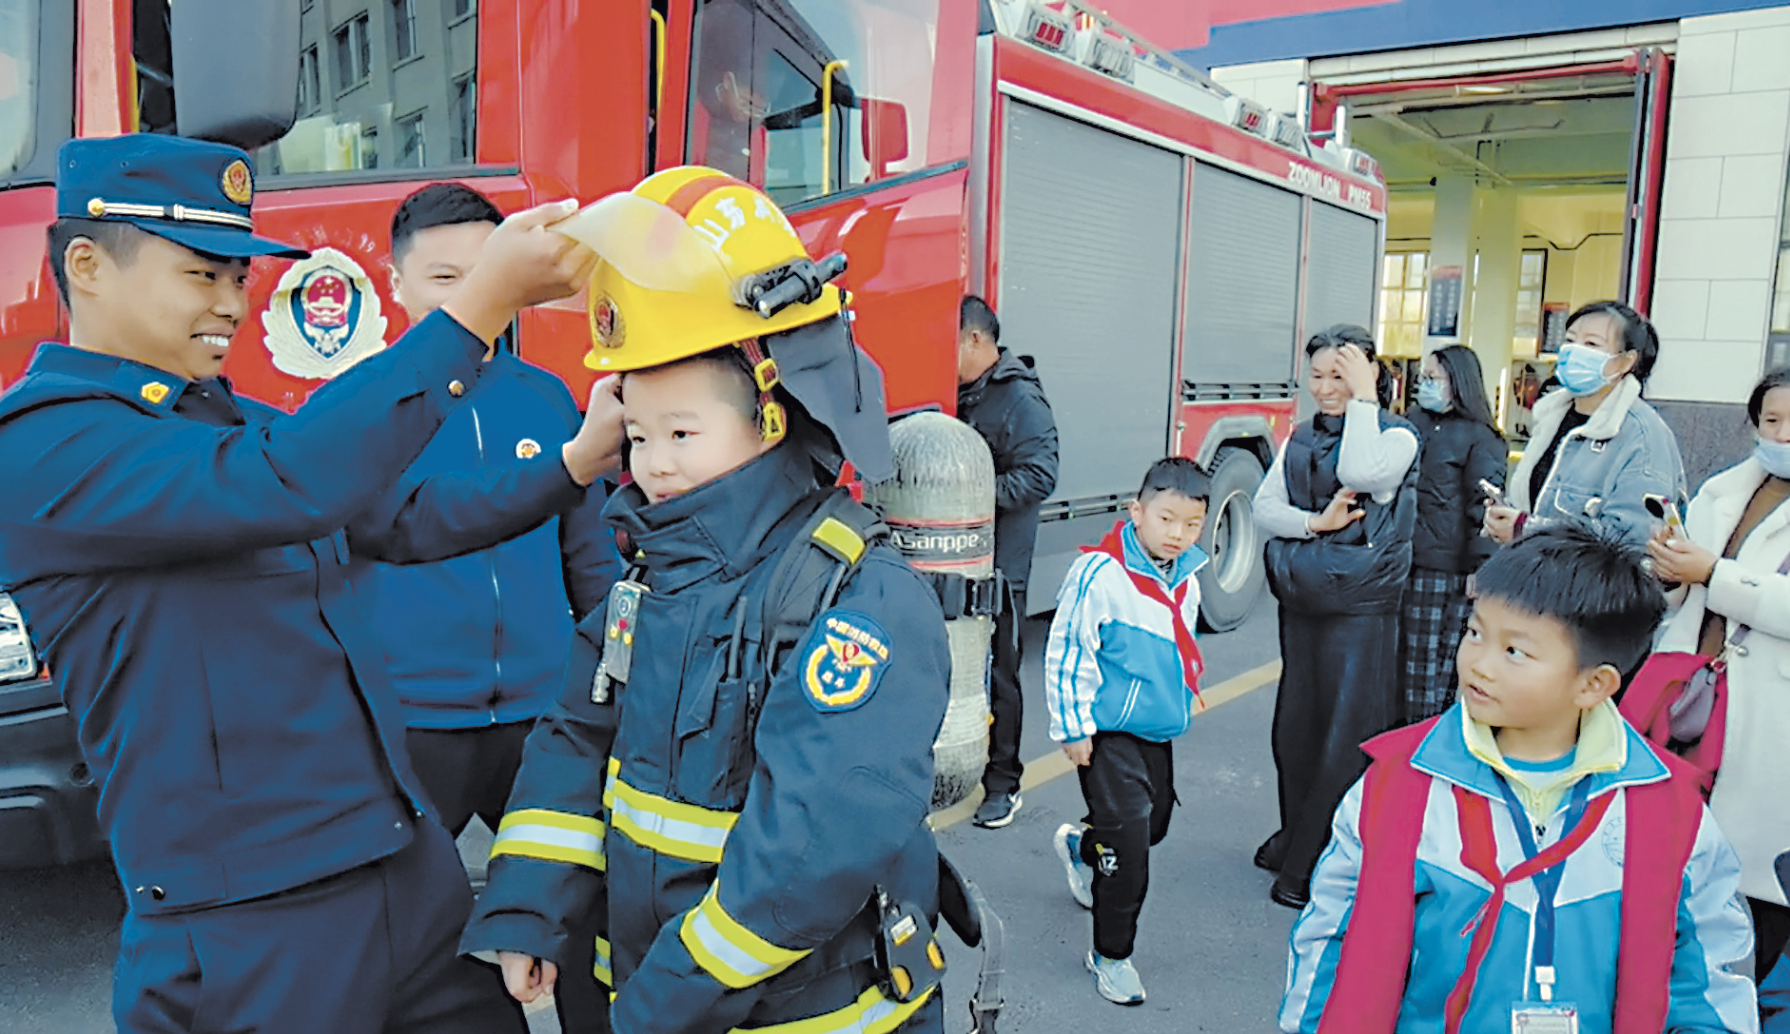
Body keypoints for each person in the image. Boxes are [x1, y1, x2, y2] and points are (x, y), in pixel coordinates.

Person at [0, 135, 614, 1033]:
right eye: (201, 275)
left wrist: (570, 464)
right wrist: (479, 305)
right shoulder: (41, 447)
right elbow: (296, 481)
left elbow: (403, 517)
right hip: (251, 914)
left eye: (237, 279)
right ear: (86, 265)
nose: (229, 304)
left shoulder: (232, 421)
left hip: (403, 865)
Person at [461, 168, 954, 1033]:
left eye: (683, 433)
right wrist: (528, 909)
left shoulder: (858, 599)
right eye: (639, 433)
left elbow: (800, 861)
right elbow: (576, 739)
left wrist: (654, 1010)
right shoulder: (646, 578)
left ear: (772, 417)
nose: (652, 463)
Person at [1281, 523, 1757, 1034]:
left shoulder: (1666, 811)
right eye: (1475, 632)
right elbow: (1329, 938)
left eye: (1515, 652)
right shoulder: (1397, 785)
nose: (1477, 664)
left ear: (1593, 685)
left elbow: (1709, 973)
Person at [371, 181, 621, 1032]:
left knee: (582, 916)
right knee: (413, 932)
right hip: (415, 722)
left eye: (490, 274)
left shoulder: (547, 400)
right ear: (397, 282)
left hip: (545, 720)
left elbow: (590, 559)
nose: (473, 298)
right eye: (446, 278)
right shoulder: (366, 411)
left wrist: (610, 683)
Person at [1252, 325, 1418, 909]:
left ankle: (1315, 861)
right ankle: (1298, 834)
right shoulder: (1300, 437)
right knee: (1295, 730)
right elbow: (1265, 508)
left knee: (1346, 738)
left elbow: (1366, 473)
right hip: (1305, 600)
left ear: (1368, 376)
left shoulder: (1397, 436)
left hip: (1362, 611)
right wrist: (1315, 525)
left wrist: (1367, 401)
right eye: (1318, 376)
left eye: (1339, 377)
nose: (1325, 389)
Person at [1045, 457, 1209, 1006]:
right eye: (1166, 520)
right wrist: (1073, 728)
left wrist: (1180, 697)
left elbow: (1179, 644)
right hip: (1107, 731)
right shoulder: (1101, 574)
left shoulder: (1186, 576)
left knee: (1152, 827)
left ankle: (1082, 848)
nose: (1177, 535)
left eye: (1191, 525)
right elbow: (1069, 649)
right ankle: (1111, 956)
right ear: (1136, 511)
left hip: (1154, 731)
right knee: (1132, 855)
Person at [1649, 365, 1790, 976]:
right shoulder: (1728, 489)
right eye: (1772, 421)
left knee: (1756, 878)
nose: (1782, 435)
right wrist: (1672, 573)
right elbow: (1687, 593)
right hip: (1699, 691)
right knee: (1680, 851)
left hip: (1767, 709)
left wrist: (1714, 573)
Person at [957, 293, 1060, 829]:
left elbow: (1041, 475)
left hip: (1001, 568)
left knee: (1001, 675)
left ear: (976, 339)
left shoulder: (1019, 399)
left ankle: (1003, 785)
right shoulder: (957, 392)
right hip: (950, 562)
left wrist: (967, 492)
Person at [1486, 300, 1686, 548]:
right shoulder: (1551, 419)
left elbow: (1633, 539)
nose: (1574, 351)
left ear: (1625, 362)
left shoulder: (1642, 435)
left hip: (1589, 586)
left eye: (1592, 344)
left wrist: (1526, 528)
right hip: (1530, 579)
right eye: (1570, 341)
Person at [1401, 344, 1506, 722]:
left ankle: (1423, 746)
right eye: (1423, 377)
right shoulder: (1410, 422)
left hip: (1443, 570)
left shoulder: (1480, 437)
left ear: (1458, 383)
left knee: (1429, 671)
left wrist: (1481, 568)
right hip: (1401, 561)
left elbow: (1485, 506)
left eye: (1434, 378)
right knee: (1398, 667)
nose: (1424, 384)